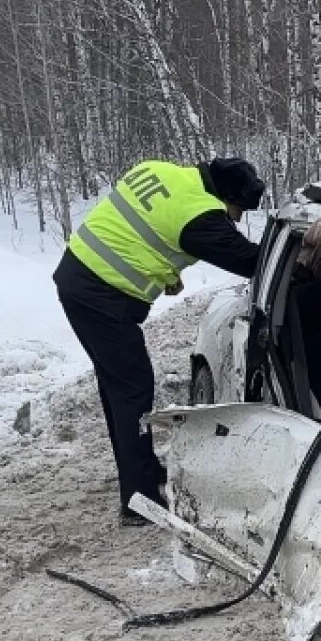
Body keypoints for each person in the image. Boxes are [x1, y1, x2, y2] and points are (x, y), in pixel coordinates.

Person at [53, 158, 265, 526]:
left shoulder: (162, 171)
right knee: (132, 390)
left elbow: (139, 225)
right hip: (100, 295)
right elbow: (253, 261)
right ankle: (139, 501)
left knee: (119, 387)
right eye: (237, 211)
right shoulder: (199, 214)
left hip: (78, 275)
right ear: (226, 195)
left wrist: (160, 268)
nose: (235, 220)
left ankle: (141, 474)